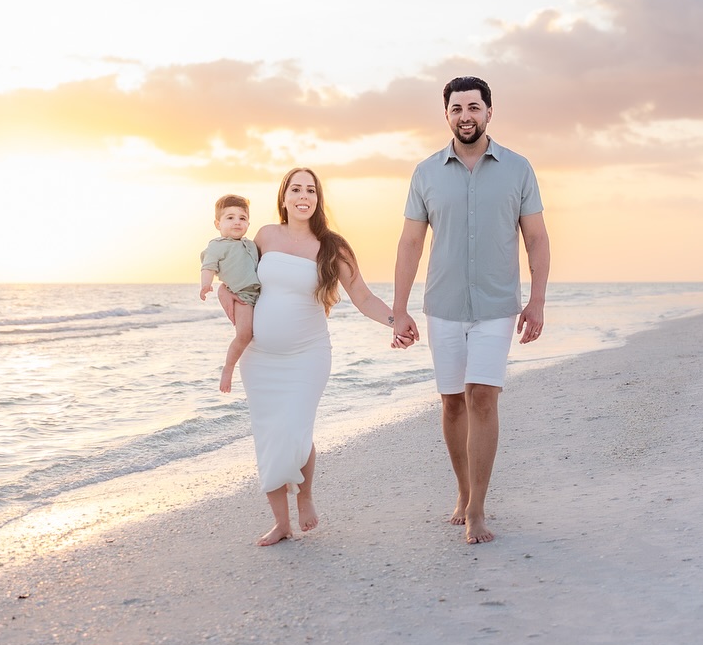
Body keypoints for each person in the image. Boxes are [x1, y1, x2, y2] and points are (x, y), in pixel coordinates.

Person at [392, 76, 550, 545]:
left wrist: (536, 300)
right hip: (442, 305)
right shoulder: (426, 173)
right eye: (457, 108)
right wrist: (399, 310)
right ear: (447, 115)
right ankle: (462, 494)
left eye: (474, 107)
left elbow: (537, 238)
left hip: (497, 305)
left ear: (489, 112)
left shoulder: (518, 168)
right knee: (452, 402)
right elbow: (410, 242)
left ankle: (478, 509)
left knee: (483, 396)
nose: (466, 116)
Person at [236, 167, 414, 546]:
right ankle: (282, 524)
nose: (303, 196)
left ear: (318, 199)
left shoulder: (332, 246)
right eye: (296, 189)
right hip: (261, 358)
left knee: (295, 431)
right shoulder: (265, 236)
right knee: (270, 436)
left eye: (311, 190)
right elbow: (242, 285)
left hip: (308, 355)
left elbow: (363, 297)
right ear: (283, 197)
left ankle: (306, 496)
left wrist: (396, 321)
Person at [200, 194, 261, 394]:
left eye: (242, 218)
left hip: (260, 295)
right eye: (230, 217)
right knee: (244, 334)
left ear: (248, 223)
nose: (237, 222)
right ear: (218, 223)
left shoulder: (251, 244)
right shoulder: (217, 245)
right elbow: (208, 266)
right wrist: (206, 285)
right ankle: (228, 368)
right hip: (241, 297)